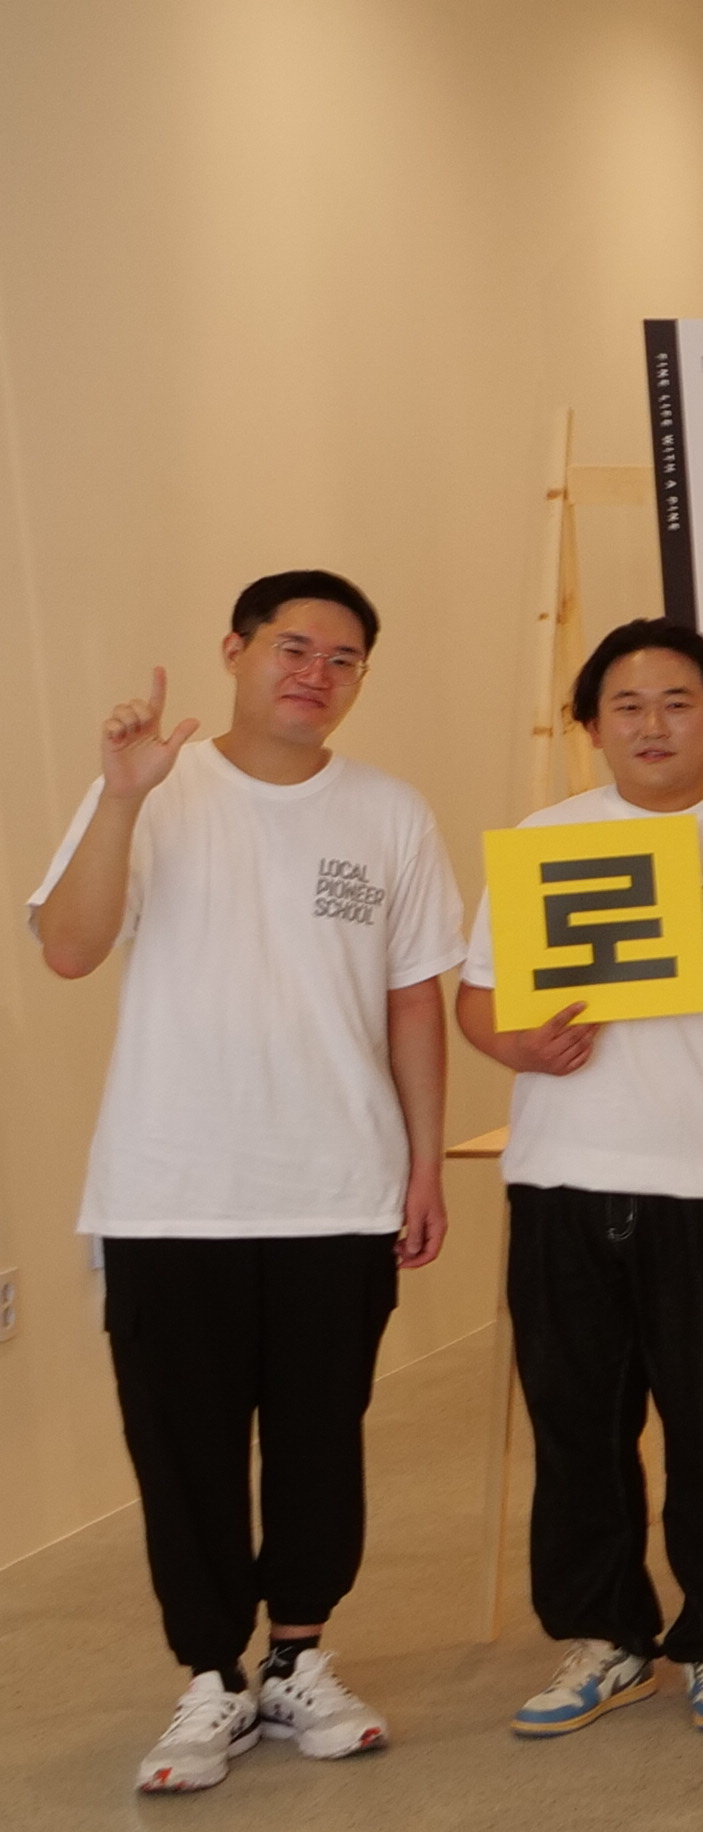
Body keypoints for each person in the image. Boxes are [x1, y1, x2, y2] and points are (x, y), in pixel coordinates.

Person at [31, 572, 456, 1794]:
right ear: (235, 650)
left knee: (323, 1443)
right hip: (171, 1191)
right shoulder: (154, 790)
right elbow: (68, 948)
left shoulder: (388, 811)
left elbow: (413, 998)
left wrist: (424, 1162)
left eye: (342, 658)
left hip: (339, 1186)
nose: (315, 674)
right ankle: (212, 1676)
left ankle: (300, 1658)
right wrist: (121, 799)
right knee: (185, 1453)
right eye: (292, 647)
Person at [455, 622, 703, 1741]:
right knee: (577, 1426)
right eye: (626, 705)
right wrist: (518, 1046)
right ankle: (605, 1639)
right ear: (592, 726)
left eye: (677, 701)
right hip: (561, 1174)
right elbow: (480, 1000)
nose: (652, 724)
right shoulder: (547, 840)